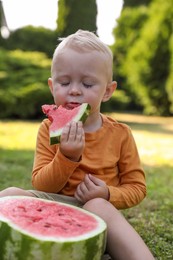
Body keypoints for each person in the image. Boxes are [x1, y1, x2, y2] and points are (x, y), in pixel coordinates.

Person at [0, 30, 154, 260]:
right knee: (11, 195)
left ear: (108, 91)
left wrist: (108, 193)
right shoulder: (47, 129)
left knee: (96, 206)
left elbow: (137, 188)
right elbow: (42, 184)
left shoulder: (121, 134)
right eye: (64, 82)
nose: (74, 90)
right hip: (52, 202)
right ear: (52, 87)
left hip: (97, 211)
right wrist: (67, 157)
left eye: (87, 83)